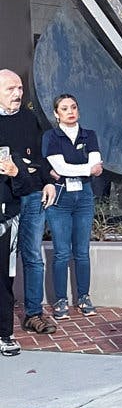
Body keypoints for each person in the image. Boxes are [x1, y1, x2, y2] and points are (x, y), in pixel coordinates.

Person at [0, 70, 57, 335]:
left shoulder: (28, 118)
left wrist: (46, 181)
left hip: (32, 195)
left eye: (20, 88)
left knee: (33, 255)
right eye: (11, 89)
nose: (18, 94)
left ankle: (33, 314)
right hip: (5, 200)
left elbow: (40, 157)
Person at [41, 95, 103, 320]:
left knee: (82, 251)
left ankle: (84, 297)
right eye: (64, 108)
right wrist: (86, 169)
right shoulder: (51, 136)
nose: (70, 111)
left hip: (84, 197)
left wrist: (78, 169)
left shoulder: (90, 135)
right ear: (56, 114)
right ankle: (60, 300)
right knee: (61, 252)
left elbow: (96, 164)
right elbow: (61, 167)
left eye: (74, 107)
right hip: (60, 198)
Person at [0, 148, 29, 356]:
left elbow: (27, 187)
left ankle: (4, 335)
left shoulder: (9, 155)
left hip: (6, 225)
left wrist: (16, 172)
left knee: (3, 281)